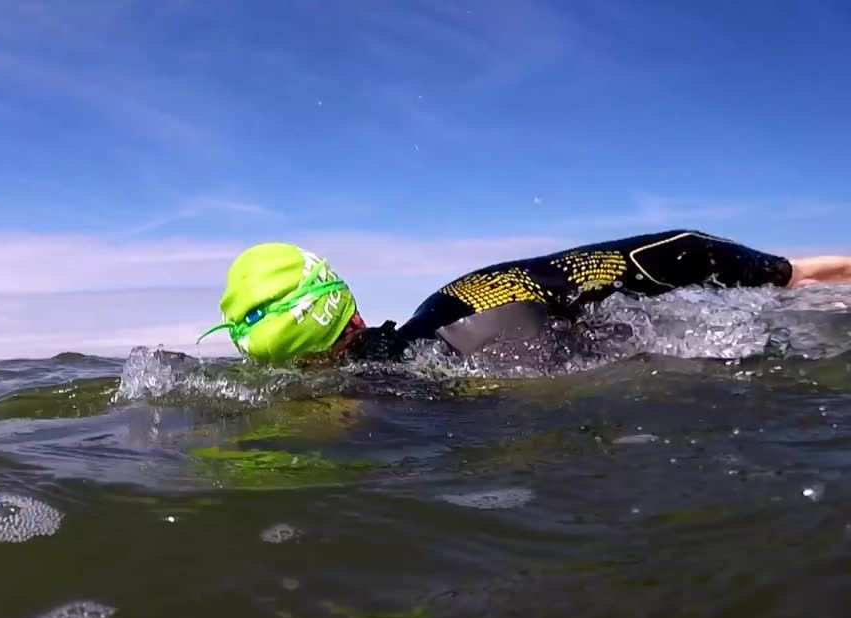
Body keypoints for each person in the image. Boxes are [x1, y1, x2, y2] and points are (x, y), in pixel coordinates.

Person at [198, 229, 851, 365]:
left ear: (354, 322)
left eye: (317, 362)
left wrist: (793, 274)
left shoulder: (473, 311)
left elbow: (664, 251)